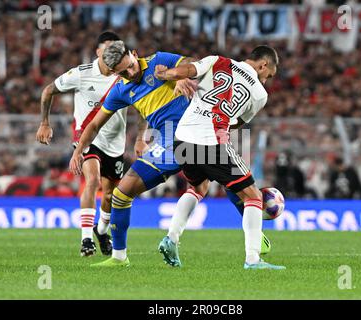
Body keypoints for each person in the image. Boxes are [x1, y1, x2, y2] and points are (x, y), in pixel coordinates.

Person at [69, 41, 271, 268]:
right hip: (171, 140)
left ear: (135, 54)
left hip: (190, 133)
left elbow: (189, 65)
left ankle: (251, 236)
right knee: (124, 195)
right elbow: (95, 124)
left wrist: (179, 77)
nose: (130, 73)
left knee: (217, 183)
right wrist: (79, 150)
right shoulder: (120, 90)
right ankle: (121, 256)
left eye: (130, 66)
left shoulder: (159, 60)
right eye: (122, 72)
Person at [154, 46, 286, 270]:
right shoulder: (260, 94)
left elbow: (181, 72)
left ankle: (171, 238)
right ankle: (253, 259)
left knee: (198, 187)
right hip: (212, 142)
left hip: (182, 138)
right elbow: (237, 123)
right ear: (263, 65)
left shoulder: (217, 61)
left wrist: (163, 74)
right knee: (253, 196)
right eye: (269, 75)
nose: (266, 80)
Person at [36, 31, 142, 257]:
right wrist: (44, 122)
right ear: (98, 51)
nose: (112, 55)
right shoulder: (81, 74)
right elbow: (48, 90)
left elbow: (143, 106)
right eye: (107, 49)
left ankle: (101, 231)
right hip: (86, 139)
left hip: (115, 143)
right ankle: (86, 240)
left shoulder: (125, 74)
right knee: (92, 181)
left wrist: (141, 137)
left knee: (110, 195)